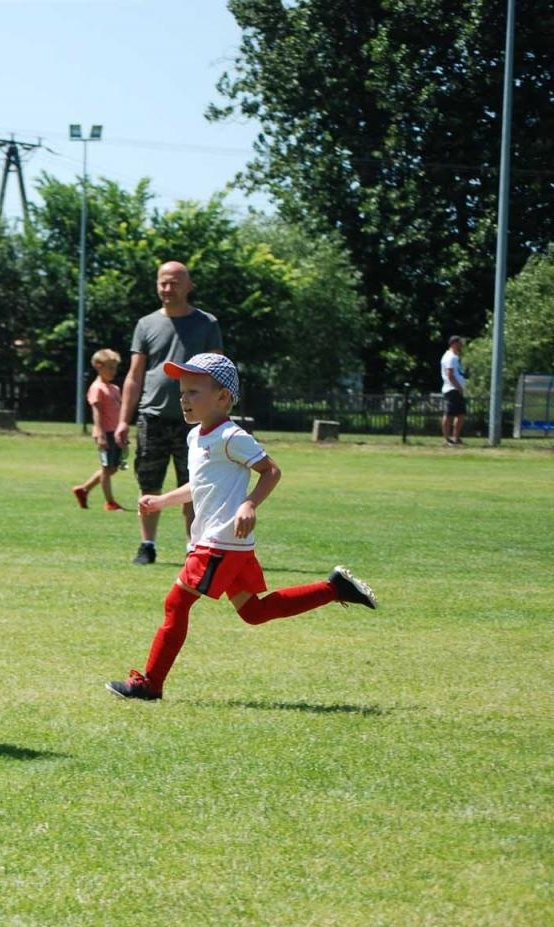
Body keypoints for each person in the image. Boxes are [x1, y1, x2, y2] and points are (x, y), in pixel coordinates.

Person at [106, 353, 378, 702]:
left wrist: (249, 504)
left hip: (219, 542)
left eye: (193, 392)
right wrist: (162, 501)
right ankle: (334, 588)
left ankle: (150, 684)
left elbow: (271, 471)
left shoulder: (231, 436)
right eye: (182, 392)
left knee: (176, 604)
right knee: (254, 612)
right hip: (224, 543)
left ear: (223, 397)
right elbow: (200, 486)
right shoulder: (195, 436)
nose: (184, 399)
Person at [116, 261, 224, 565]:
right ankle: (147, 545)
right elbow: (135, 376)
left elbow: (219, 371)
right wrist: (123, 420)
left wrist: (217, 414)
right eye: (163, 282)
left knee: (195, 485)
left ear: (189, 286)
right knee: (149, 482)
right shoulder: (146, 324)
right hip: (152, 416)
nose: (168, 288)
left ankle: (194, 548)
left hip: (195, 421)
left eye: (175, 282)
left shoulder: (207, 323)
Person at [72, 348, 127, 511]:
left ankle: (83, 490)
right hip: (105, 433)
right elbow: (96, 413)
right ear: (98, 365)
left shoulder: (115, 388)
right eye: (110, 368)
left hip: (115, 433)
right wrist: (100, 433)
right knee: (106, 468)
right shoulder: (97, 388)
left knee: (113, 468)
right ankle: (110, 502)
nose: (113, 371)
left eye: (115, 368)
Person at [440, 335, 468, 446]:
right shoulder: (450, 357)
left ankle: (456, 438)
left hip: (456, 389)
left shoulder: (455, 357)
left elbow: (456, 373)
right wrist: (459, 387)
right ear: (454, 344)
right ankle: (447, 439)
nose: (461, 345)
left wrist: (464, 375)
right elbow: (450, 375)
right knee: (449, 414)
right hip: (452, 389)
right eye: (460, 343)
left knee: (461, 414)